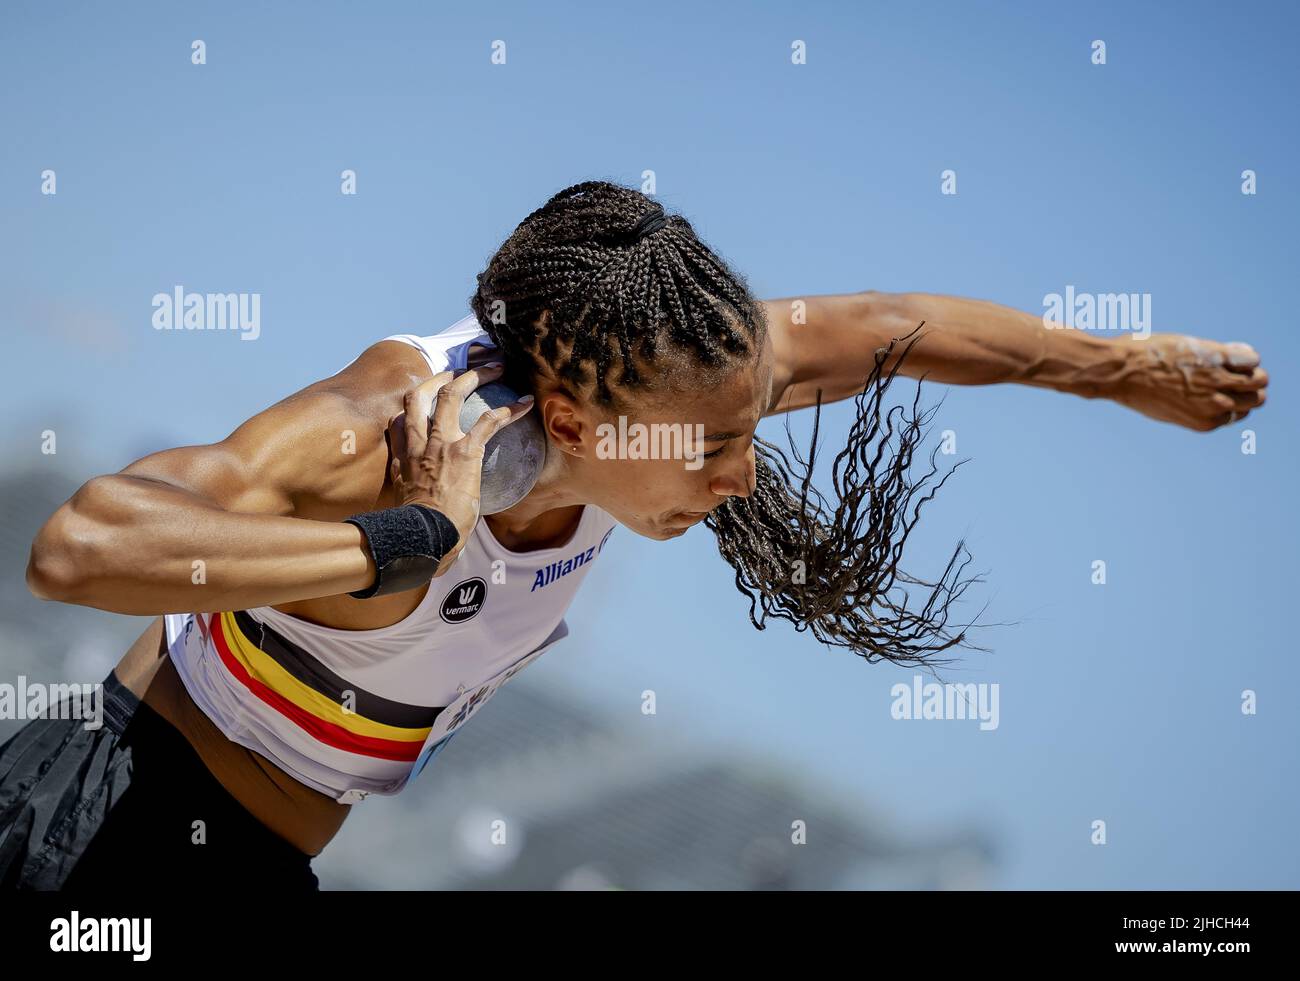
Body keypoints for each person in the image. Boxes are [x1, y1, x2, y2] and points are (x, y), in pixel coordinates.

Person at [1, 180, 1268, 890]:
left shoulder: (680, 370)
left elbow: (897, 324)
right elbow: (81, 544)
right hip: (96, 825)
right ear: (570, 417)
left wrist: (1121, 368)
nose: (739, 472)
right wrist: (400, 538)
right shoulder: (386, 433)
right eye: (709, 447)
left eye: (747, 426)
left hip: (257, 873)